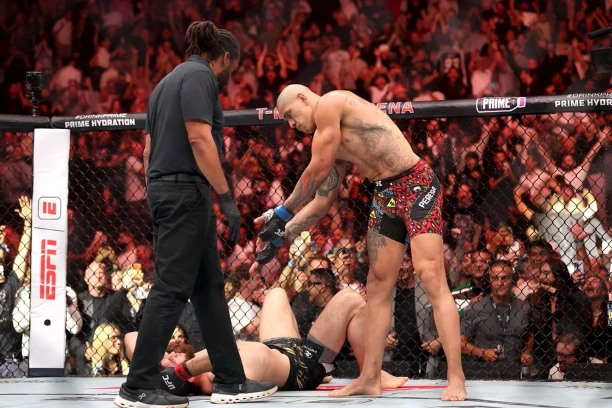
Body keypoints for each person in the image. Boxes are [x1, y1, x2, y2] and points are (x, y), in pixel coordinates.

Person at [252, 85, 466, 400]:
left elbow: (316, 170)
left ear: (302, 98)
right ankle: (370, 377)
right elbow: (322, 201)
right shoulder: (328, 140)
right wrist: (281, 233)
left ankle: (456, 377)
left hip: (416, 183)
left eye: (290, 115)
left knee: (431, 275)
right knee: (377, 286)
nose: (291, 124)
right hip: (385, 193)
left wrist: (281, 213)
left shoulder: (330, 103)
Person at [115, 21, 277, 408]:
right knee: (172, 287)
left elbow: (148, 151)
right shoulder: (201, 76)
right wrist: (226, 197)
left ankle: (230, 380)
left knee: (208, 290)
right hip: (185, 191)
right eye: (233, 68)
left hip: (172, 190)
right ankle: (138, 385)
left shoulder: (163, 84)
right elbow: (200, 138)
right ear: (225, 57)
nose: (230, 76)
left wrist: (163, 193)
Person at [123, 287, 408, 396]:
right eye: (169, 362)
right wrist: (176, 372)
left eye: (168, 356)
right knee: (351, 299)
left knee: (276, 294)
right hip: (304, 365)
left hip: (279, 347)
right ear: (180, 377)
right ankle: (373, 372)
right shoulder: (213, 377)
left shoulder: (194, 364)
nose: (170, 355)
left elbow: (130, 337)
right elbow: (221, 355)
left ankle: (334, 362)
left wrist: (158, 361)